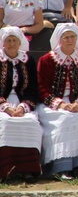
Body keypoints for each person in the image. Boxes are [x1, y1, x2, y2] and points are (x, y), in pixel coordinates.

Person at [37, 24, 78, 178]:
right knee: (64, 119)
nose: (70, 40)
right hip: (52, 105)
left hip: (77, 104)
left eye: (73, 37)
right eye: (66, 37)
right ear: (59, 39)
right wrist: (60, 104)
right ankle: (61, 167)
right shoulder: (46, 60)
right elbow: (42, 88)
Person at [0, 26, 41, 182]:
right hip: (3, 105)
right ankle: (6, 170)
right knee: (5, 122)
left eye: (14, 40)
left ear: (20, 43)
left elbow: (33, 90)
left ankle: (27, 170)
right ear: (3, 43)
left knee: (30, 122)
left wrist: (23, 107)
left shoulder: (28, 61)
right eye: (8, 41)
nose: (11, 44)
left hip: (22, 105)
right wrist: (7, 108)